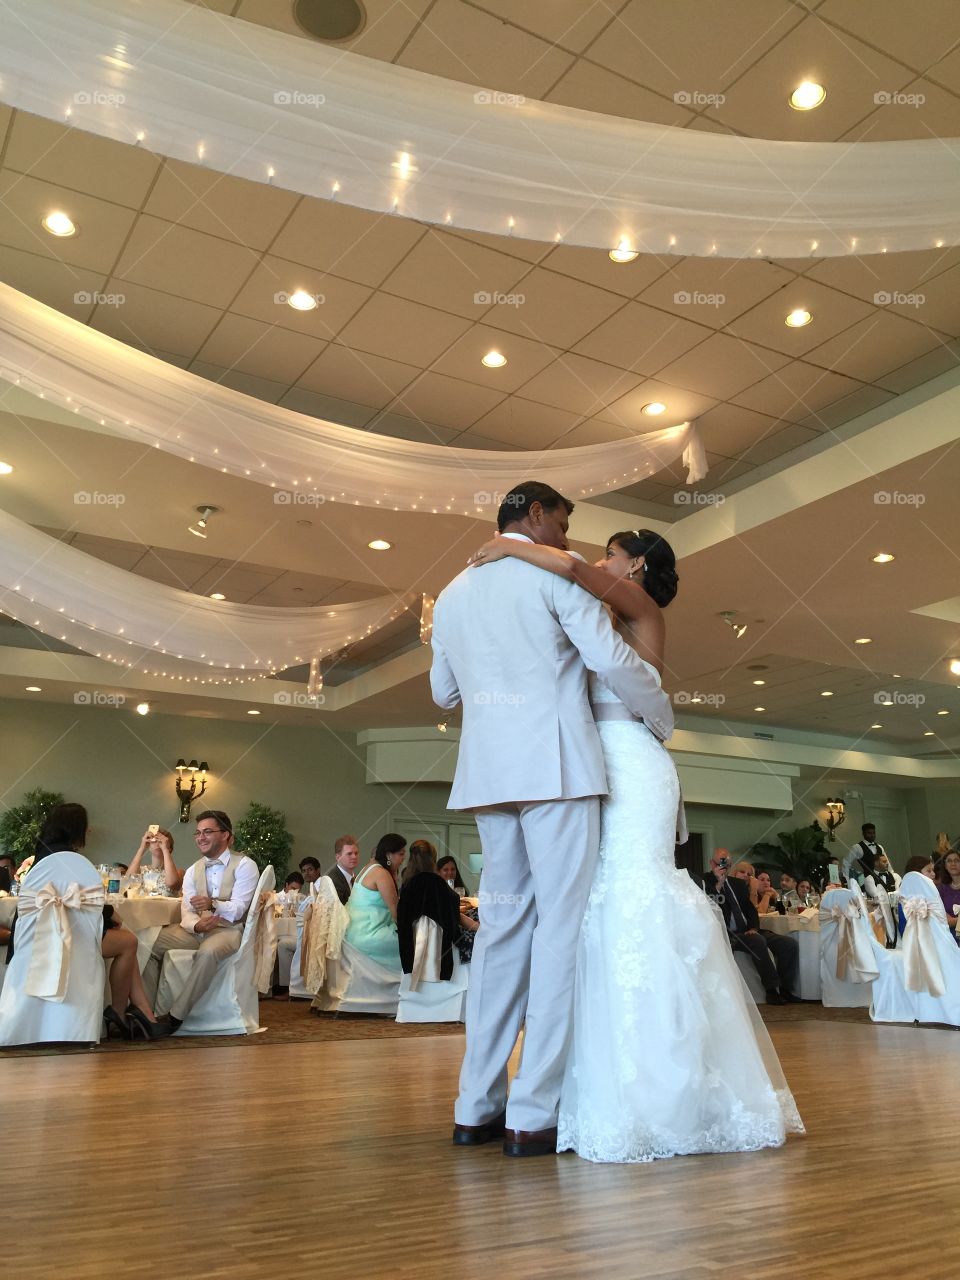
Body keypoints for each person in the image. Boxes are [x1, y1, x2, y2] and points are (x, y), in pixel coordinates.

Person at [450, 496, 802, 1162]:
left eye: (611, 551)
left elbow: (576, 573)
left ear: (634, 564)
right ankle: (580, 1085)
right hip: (579, 768)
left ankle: (656, 1081)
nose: (595, 554)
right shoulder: (587, 618)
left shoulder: (640, 610)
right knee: (585, 911)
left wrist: (512, 547)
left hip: (627, 767)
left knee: (630, 896)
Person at [433, 483, 675, 1159]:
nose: (567, 540)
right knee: (560, 932)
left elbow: (442, 691)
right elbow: (611, 660)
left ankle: (475, 1106)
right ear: (535, 516)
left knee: (504, 928)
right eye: (563, 525)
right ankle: (532, 1113)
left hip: (488, 777)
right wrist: (661, 715)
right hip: (558, 773)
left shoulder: (452, 593)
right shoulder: (545, 574)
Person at [31, 804, 172, 1039]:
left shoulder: (43, 854)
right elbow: (87, 899)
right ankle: (118, 1012)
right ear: (74, 828)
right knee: (128, 942)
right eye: (85, 827)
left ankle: (146, 1015)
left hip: (46, 930)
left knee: (128, 940)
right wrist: (110, 915)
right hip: (60, 935)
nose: (89, 832)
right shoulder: (68, 858)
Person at [143, 810, 258, 1030]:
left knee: (208, 952)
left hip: (228, 930)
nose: (200, 838)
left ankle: (175, 1017)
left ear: (225, 835)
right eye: (197, 833)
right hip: (195, 930)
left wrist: (213, 904)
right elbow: (186, 910)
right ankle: (147, 1013)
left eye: (207, 832)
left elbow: (240, 908)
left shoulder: (245, 865)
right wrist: (195, 924)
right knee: (144, 942)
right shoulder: (193, 870)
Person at [704, 851, 800, 1006]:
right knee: (756, 941)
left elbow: (750, 910)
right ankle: (771, 989)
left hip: (749, 930)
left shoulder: (738, 884)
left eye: (726, 864)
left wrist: (754, 927)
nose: (722, 867)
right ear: (711, 863)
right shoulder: (703, 881)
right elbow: (711, 907)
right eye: (719, 863)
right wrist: (718, 886)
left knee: (788, 944)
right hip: (727, 934)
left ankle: (785, 989)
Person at [397, 840, 462, 980]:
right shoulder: (437, 882)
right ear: (433, 859)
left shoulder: (408, 882)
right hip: (436, 940)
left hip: (412, 942)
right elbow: (452, 906)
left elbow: (402, 919)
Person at [343, 834, 406, 974]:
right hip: (369, 936)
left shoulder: (368, 868)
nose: (404, 859)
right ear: (389, 854)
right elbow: (397, 913)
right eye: (401, 854)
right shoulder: (381, 873)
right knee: (417, 942)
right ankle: (412, 987)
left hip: (353, 933)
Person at [127, 827, 183, 894]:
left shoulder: (179, 872)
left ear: (170, 848)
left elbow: (172, 883)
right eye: (154, 840)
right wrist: (142, 847)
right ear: (149, 845)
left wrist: (165, 849)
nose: (157, 844)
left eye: (161, 842)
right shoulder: (141, 871)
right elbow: (129, 881)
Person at [325, 835, 360, 906]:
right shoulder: (333, 881)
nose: (354, 857)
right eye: (349, 854)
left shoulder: (355, 878)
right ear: (338, 857)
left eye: (356, 853)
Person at [937, 849, 960, 938]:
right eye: (949, 861)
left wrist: (952, 921)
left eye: (957, 860)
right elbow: (942, 919)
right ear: (945, 866)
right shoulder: (941, 888)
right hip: (949, 936)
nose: (953, 863)